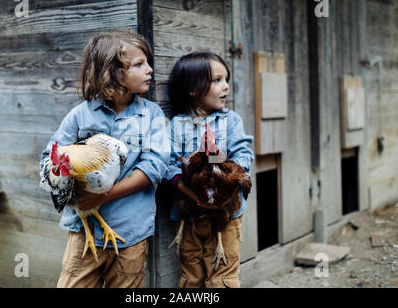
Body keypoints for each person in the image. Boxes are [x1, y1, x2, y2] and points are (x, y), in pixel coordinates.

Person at [39, 30, 169, 288]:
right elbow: (49, 157)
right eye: (139, 64)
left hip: (130, 231)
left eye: (148, 62)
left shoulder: (152, 115)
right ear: (112, 72)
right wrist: (62, 180)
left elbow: (155, 165)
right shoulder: (80, 115)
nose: (150, 70)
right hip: (82, 230)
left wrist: (102, 196)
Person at [164, 51, 254, 288]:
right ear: (192, 89)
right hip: (188, 213)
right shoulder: (176, 126)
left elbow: (244, 154)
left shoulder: (231, 121)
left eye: (226, 79)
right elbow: (168, 164)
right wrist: (186, 189)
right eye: (217, 80)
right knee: (191, 274)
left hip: (225, 213)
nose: (225, 86)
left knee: (222, 277)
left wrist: (229, 172)